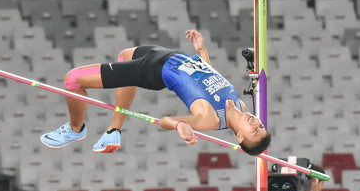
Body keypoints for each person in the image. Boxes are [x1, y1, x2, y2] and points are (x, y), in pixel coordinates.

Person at [40, 29, 271, 156]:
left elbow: (166, 120)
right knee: (124, 55)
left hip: (152, 70)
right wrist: (202, 51)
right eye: (261, 125)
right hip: (169, 54)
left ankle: (75, 129)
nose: (256, 123)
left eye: (254, 131)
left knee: (72, 79)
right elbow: (207, 75)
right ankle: (114, 130)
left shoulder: (211, 119)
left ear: (240, 137)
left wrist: (180, 125)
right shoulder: (240, 105)